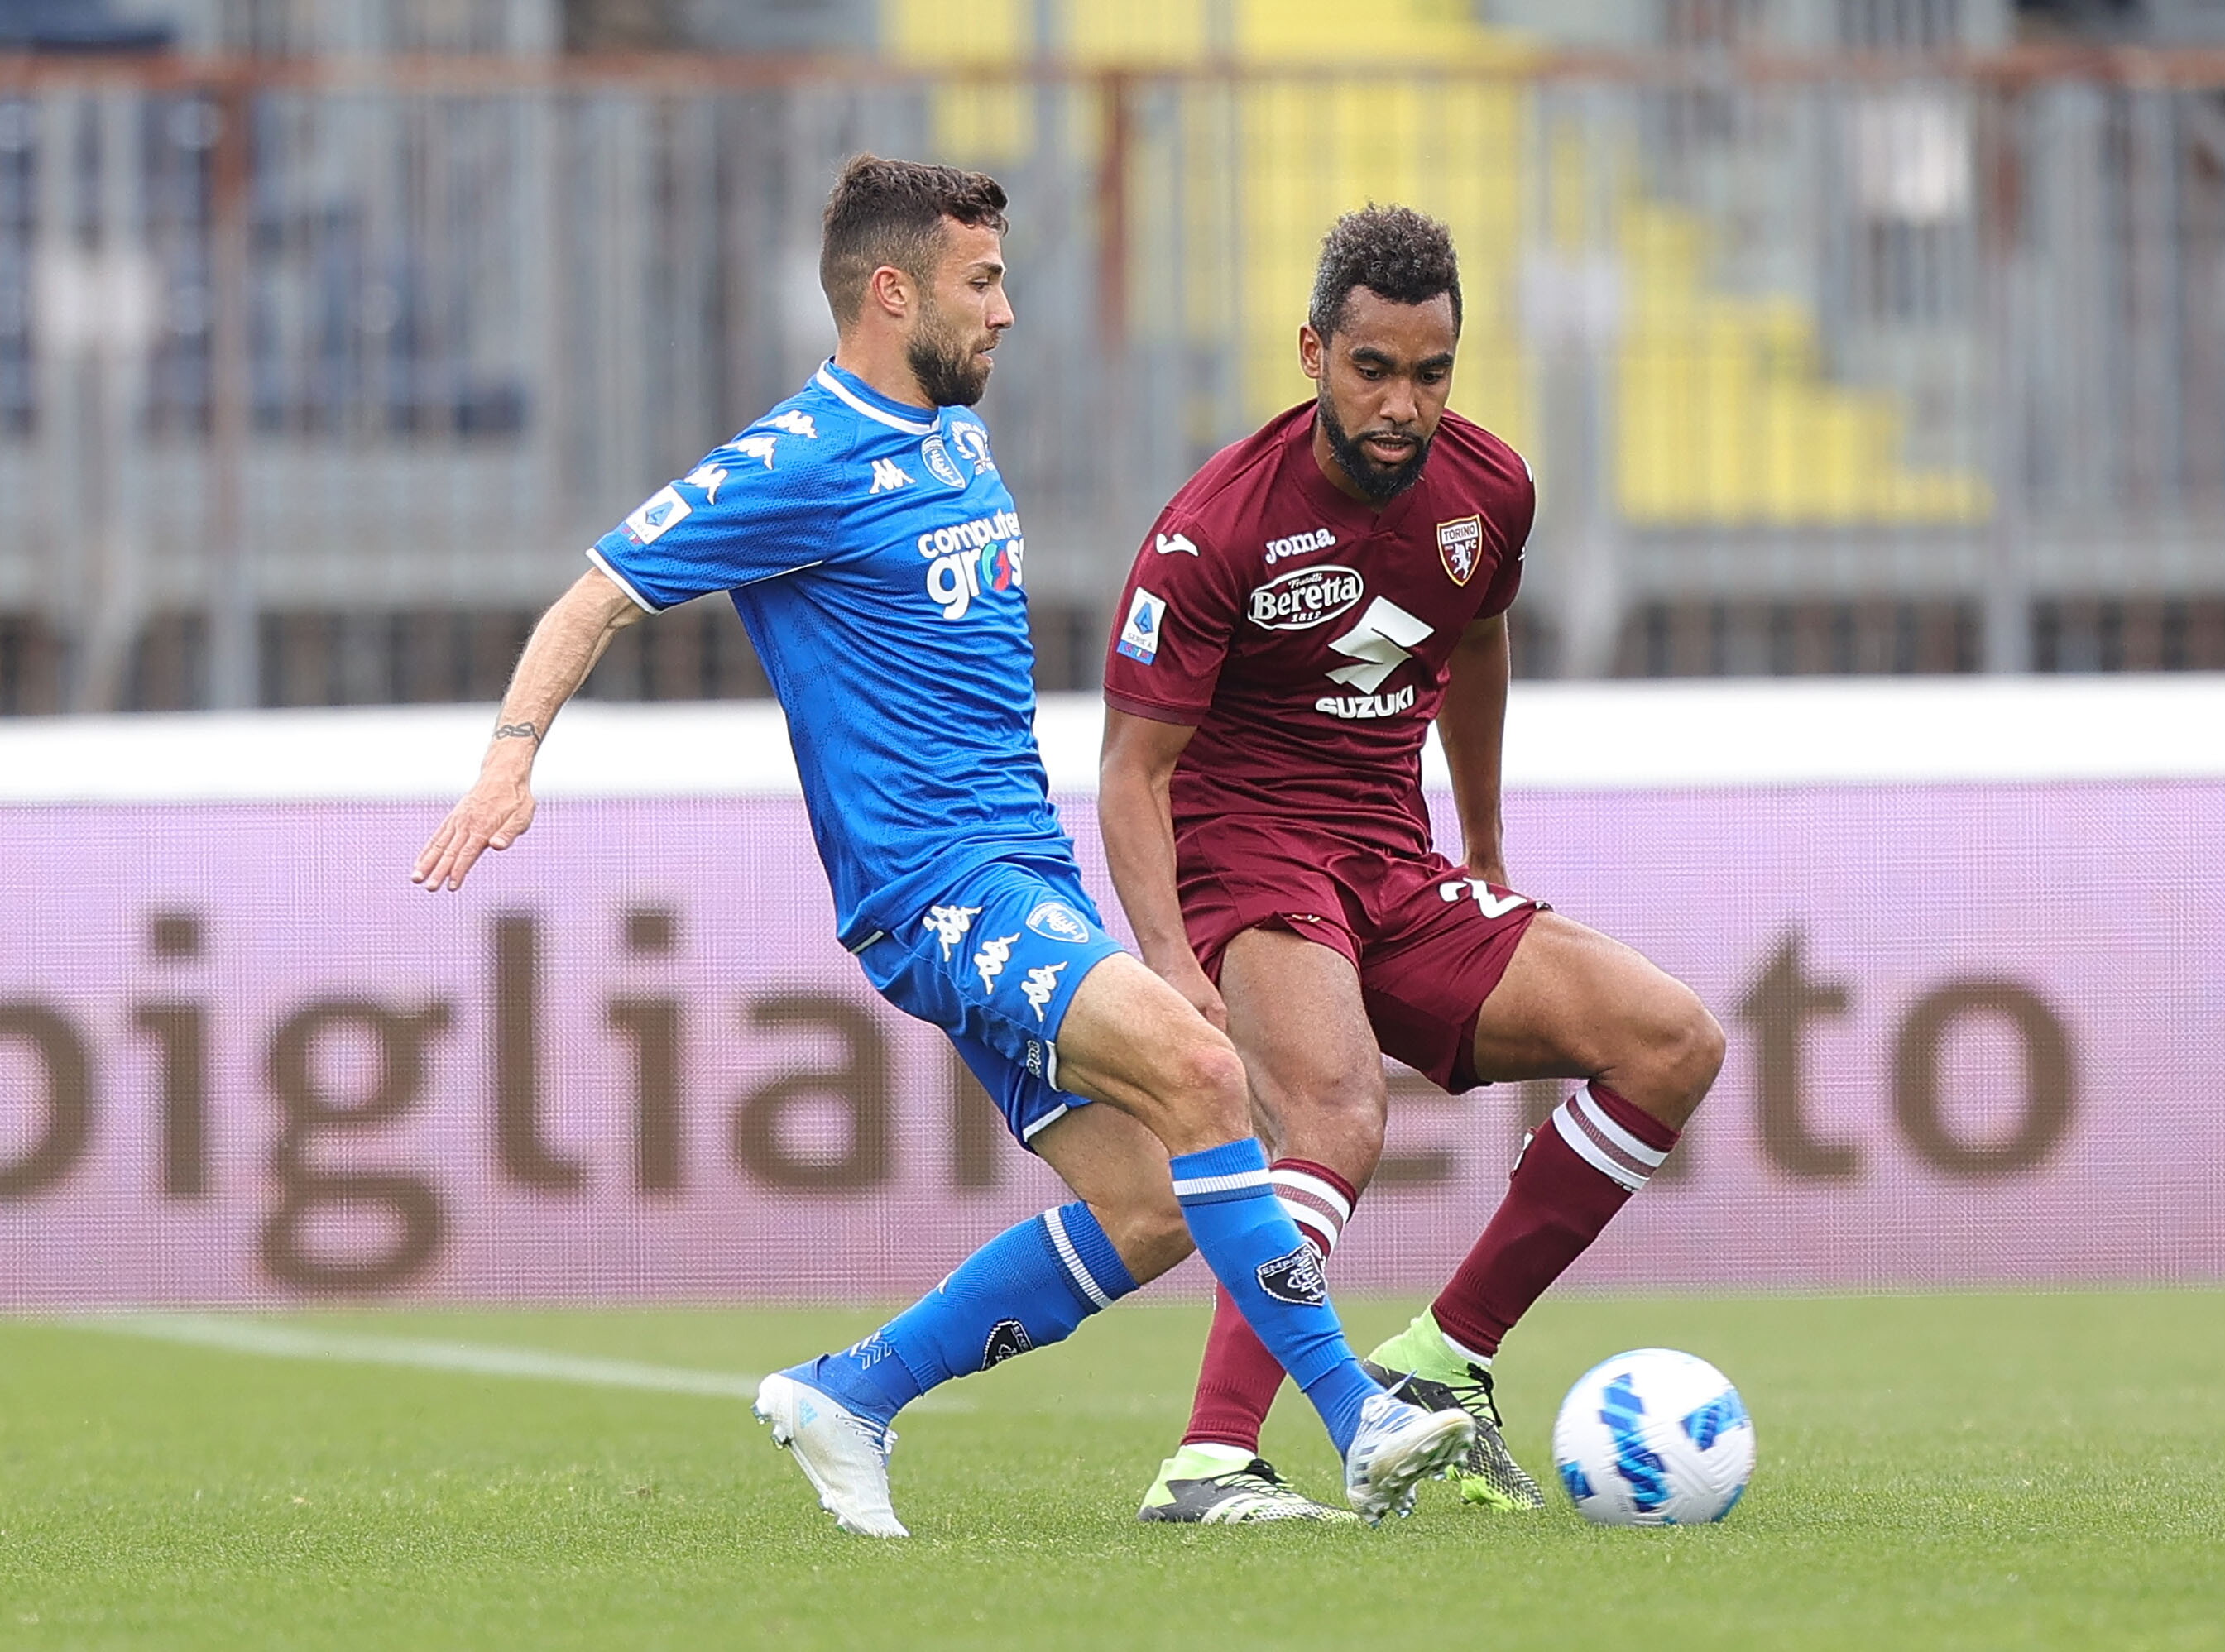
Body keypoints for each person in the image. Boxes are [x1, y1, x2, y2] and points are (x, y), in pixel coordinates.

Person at [412, 157, 1473, 1536]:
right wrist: (510, 756)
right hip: (939, 890)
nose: (1006, 311)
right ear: (893, 292)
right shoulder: (799, 459)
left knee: (1151, 1203)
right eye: (983, 282)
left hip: (1022, 870)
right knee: (1209, 1072)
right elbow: (597, 594)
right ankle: (1360, 1420)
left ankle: (850, 1392)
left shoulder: (953, 438)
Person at [1099, 205, 1726, 1523]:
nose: (1401, 406)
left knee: (1673, 1041)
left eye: (1430, 373)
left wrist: (1481, 840)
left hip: (1394, 861)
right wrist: (1168, 966)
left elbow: (1478, 641)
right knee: (1336, 1115)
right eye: (1372, 370)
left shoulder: (1491, 490)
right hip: (1250, 857)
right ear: (1313, 353)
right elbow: (1131, 773)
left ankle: (1446, 1355)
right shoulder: (1213, 529)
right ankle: (1210, 1458)